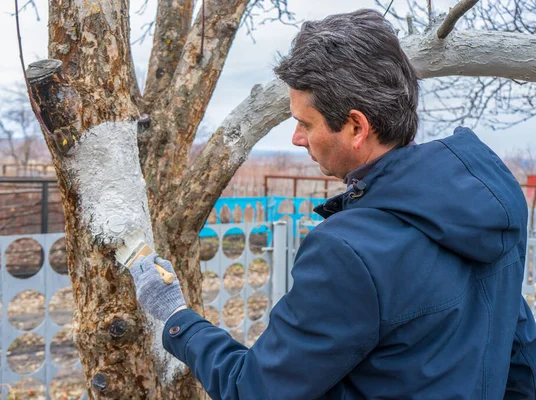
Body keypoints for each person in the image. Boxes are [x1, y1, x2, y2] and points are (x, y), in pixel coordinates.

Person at [130, 9, 536, 400]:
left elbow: (252, 389)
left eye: (306, 123)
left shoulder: (349, 253)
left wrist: (176, 318)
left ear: (356, 127)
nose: (296, 139)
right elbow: (520, 352)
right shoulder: (492, 202)